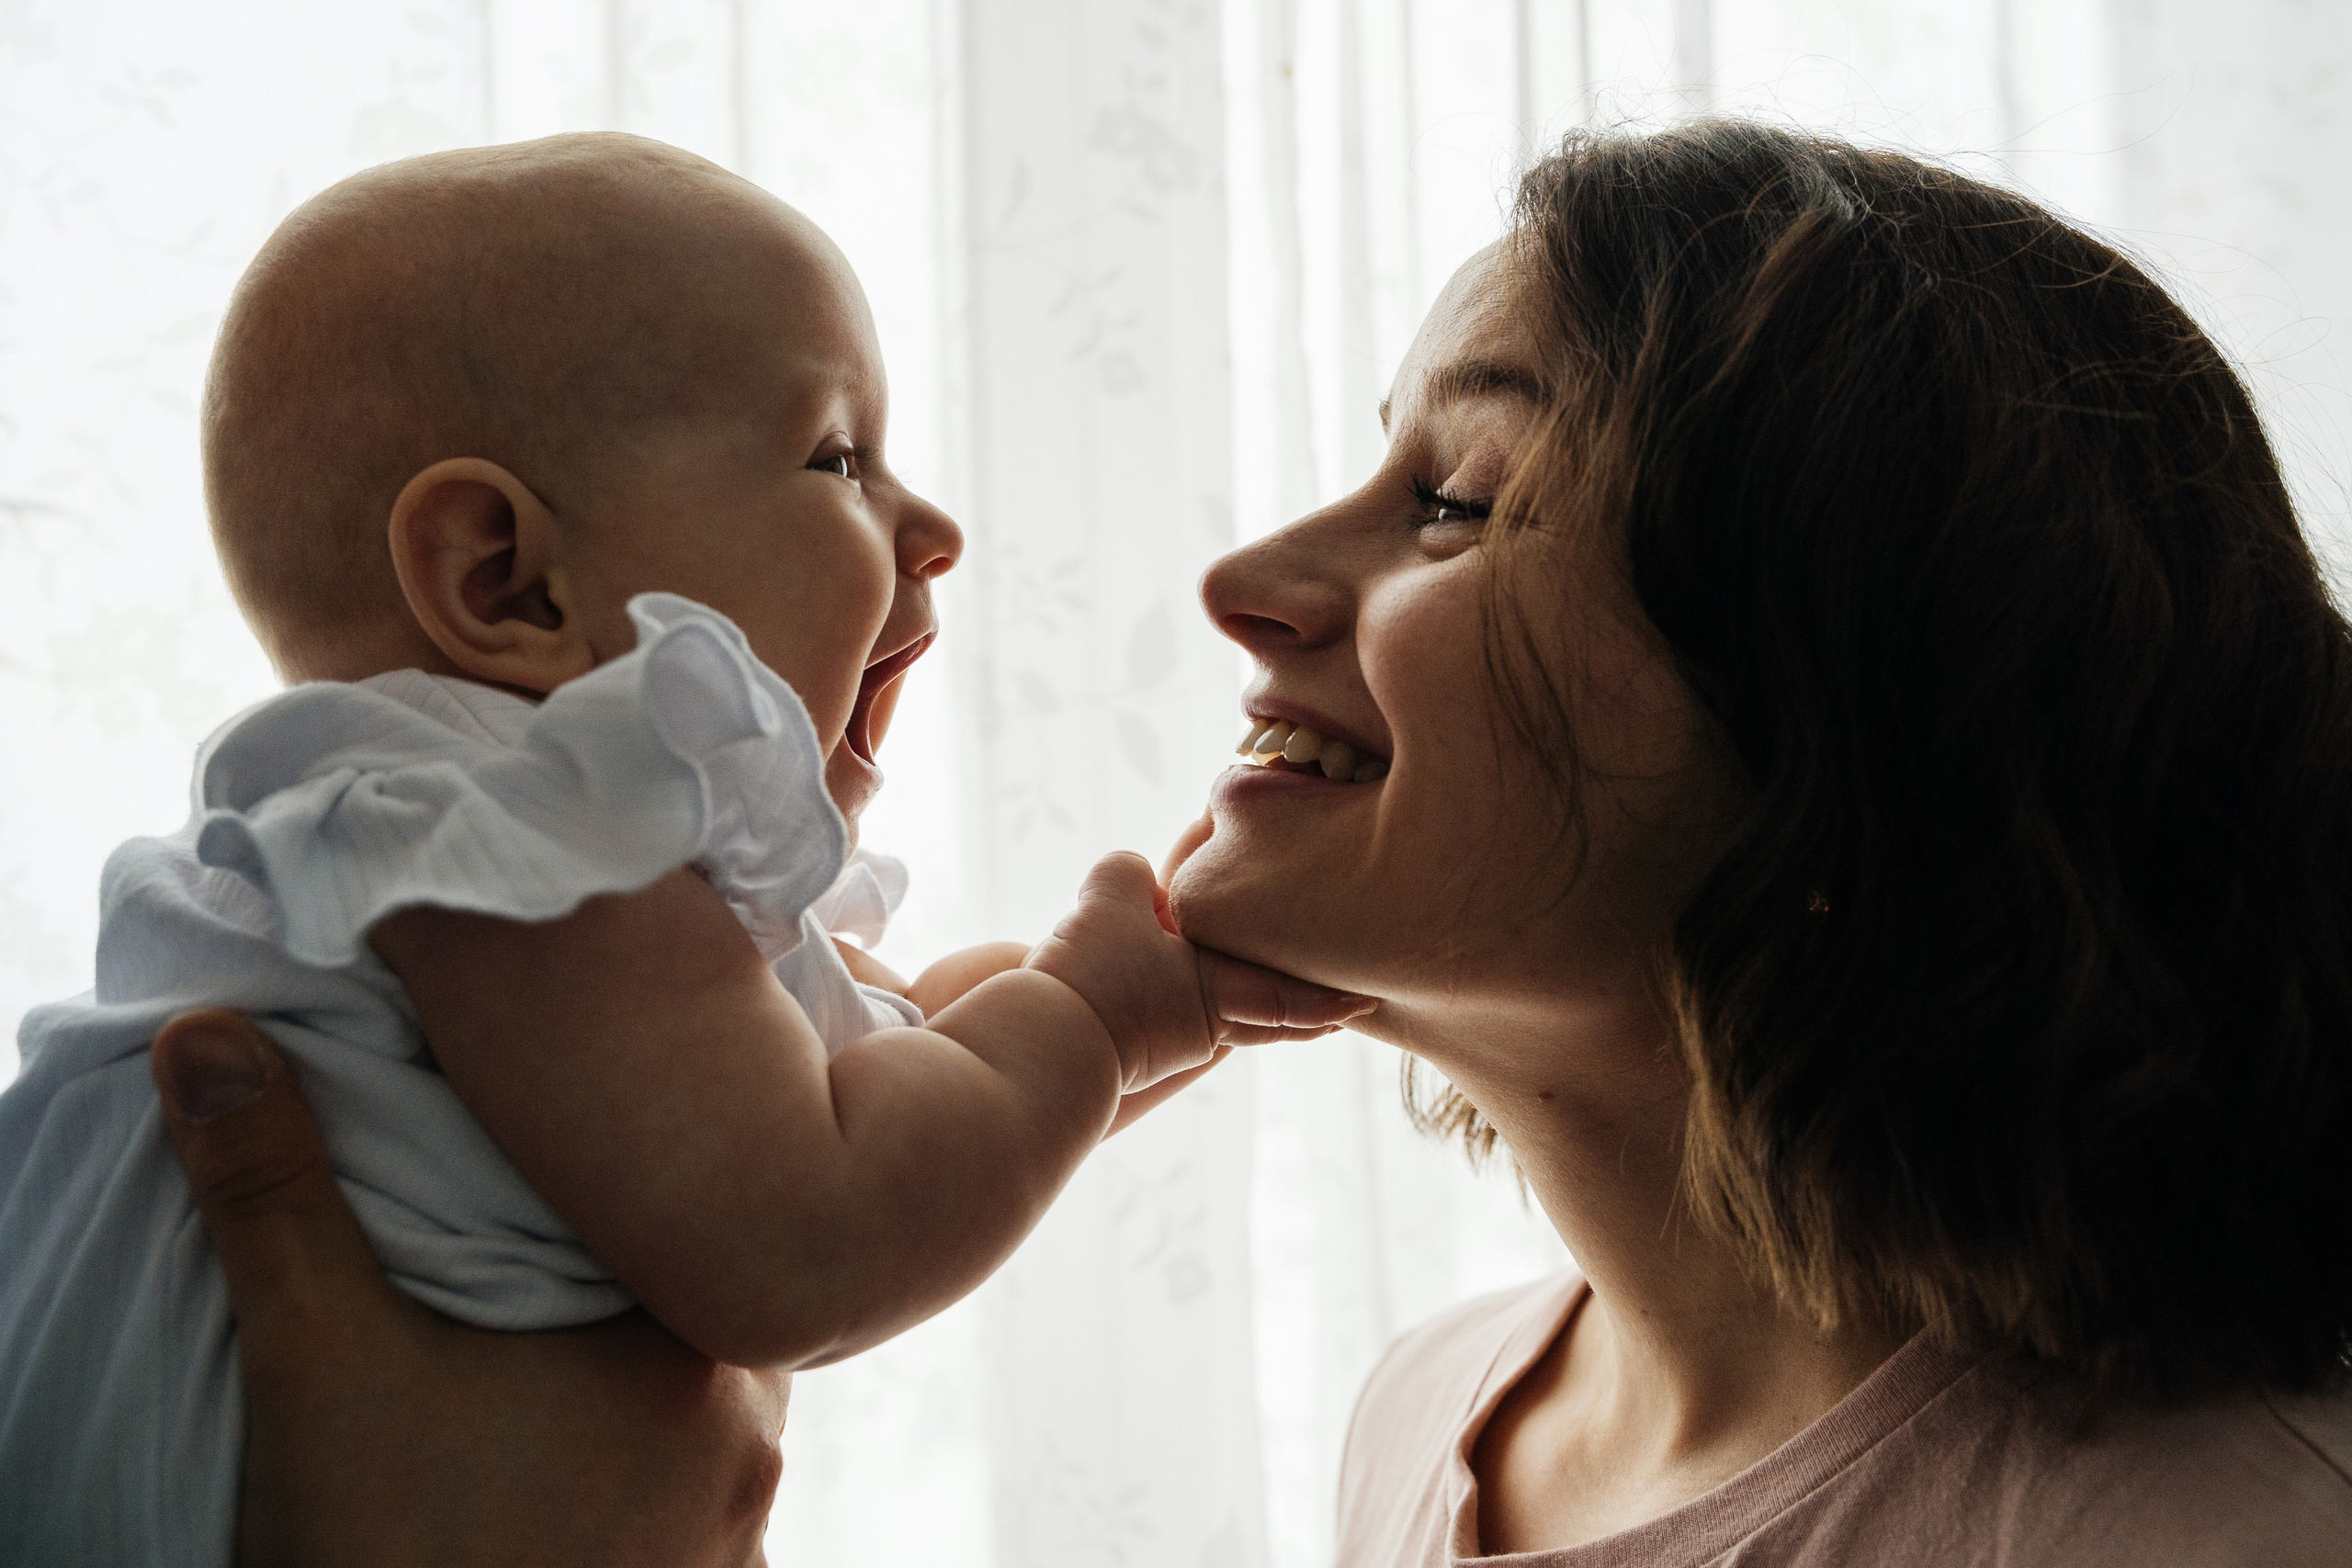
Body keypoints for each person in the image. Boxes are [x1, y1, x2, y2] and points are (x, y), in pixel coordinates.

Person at [152, 120, 2352, 1562]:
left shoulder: (2216, 1523)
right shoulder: (1431, 1426)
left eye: (1456, 501)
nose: (1244, 576)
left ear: (1857, 733)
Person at [0, 133, 1362, 1566]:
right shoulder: (507, 849)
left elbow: (875, 1058)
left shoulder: (509, 881)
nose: (937, 528)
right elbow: (817, 1233)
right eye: (839, 454)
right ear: (507, 580)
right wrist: (1097, 1017)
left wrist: (1130, 1000)